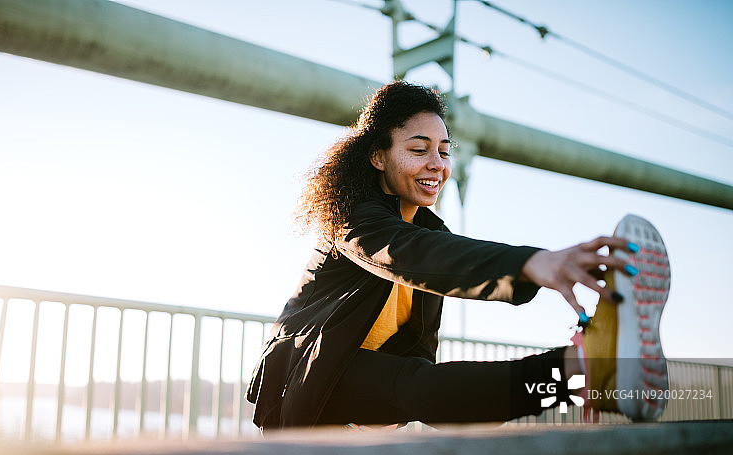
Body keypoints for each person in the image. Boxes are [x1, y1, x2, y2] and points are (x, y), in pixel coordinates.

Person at [246, 81, 670, 430]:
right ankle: (586, 364)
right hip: (304, 383)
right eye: (418, 149)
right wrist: (532, 263)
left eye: (444, 151)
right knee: (420, 388)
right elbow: (410, 254)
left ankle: (595, 370)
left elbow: (420, 342)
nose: (437, 165)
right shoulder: (354, 220)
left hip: (364, 406)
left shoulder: (433, 232)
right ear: (377, 156)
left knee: (427, 390)